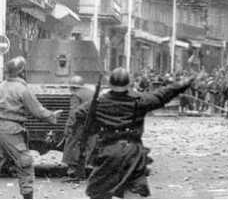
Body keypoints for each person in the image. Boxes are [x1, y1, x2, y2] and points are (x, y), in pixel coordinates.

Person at [74, 67, 199, 198]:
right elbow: (162, 95)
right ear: (129, 83)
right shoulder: (139, 101)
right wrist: (183, 84)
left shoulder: (98, 102)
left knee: (99, 191)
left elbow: (80, 114)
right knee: (134, 190)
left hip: (108, 152)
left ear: (110, 84)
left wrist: (96, 126)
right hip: (132, 153)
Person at [0, 56, 62, 199]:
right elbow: (37, 110)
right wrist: (52, 116)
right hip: (12, 130)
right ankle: (28, 196)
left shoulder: (1, 86)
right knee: (25, 162)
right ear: (22, 72)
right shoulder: (22, 89)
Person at [62, 75, 95, 181]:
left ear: (73, 87)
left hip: (79, 125)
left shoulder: (76, 95)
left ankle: (72, 172)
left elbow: (73, 113)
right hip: (93, 124)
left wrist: (68, 127)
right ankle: (88, 169)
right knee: (89, 146)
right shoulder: (91, 92)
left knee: (72, 145)